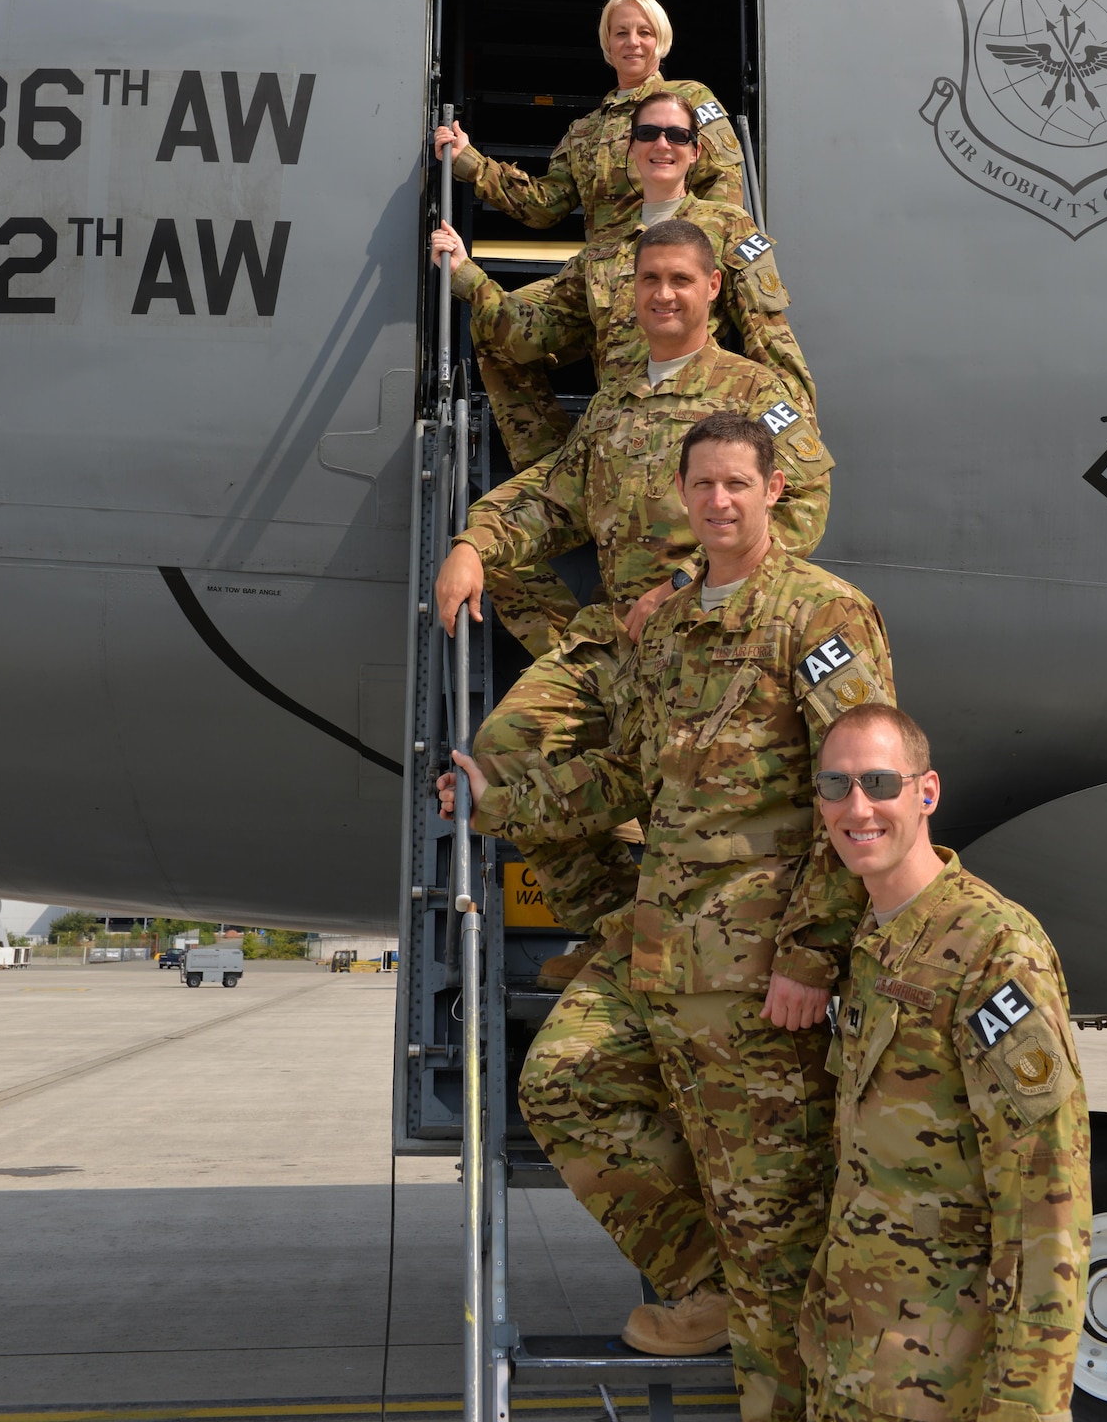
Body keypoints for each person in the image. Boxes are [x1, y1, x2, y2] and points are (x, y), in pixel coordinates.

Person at [438, 411, 893, 1422]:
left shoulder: (821, 618)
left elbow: (859, 801)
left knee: (777, 1253)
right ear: (683, 498)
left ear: (774, 491)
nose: (721, 501)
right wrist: (500, 797)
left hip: (757, 976)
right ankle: (700, 1274)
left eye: (739, 483)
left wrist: (812, 959)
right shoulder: (673, 625)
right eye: (705, 486)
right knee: (563, 1082)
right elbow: (628, 775)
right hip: (660, 947)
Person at [434, 219, 833, 974]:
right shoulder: (617, 397)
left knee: (675, 798)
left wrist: (689, 587)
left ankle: (662, 950)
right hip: (616, 637)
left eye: (681, 279)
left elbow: (803, 508)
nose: (663, 294)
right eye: (649, 280)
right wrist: (473, 543)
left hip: (713, 643)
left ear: (713, 288)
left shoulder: (755, 392)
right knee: (506, 756)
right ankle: (616, 936)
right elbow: (557, 495)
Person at [431, 90, 815, 654]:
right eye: (648, 136)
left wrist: (788, 427)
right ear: (629, 150)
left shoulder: (726, 228)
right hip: (612, 434)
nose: (662, 145)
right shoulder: (604, 255)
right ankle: (595, 663)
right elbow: (528, 334)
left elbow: (768, 333)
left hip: (696, 429)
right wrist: (469, 276)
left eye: (677, 136)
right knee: (484, 536)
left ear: (695, 150)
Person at [799, 704, 1091, 1422]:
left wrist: (1028, 1405)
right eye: (835, 786)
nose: (856, 807)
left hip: (946, 1381)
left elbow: (1046, 1195)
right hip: (855, 1365)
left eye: (877, 782)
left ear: (925, 793)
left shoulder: (992, 952)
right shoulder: (873, 942)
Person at [433, 0, 745, 472]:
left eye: (643, 32)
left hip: (662, 280)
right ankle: (557, 472)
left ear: (661, 41)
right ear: (607, 44)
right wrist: (472, 163)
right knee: (496, 326)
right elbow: (544, 206)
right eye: (621, 32)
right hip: (593, 281)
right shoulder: (585, 131)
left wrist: (698, 270)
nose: (632, 42)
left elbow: (725, 186)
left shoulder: (689, 102)